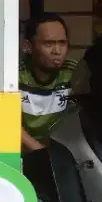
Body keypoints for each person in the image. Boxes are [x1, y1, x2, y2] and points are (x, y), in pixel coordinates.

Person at [20, 13, 89, 152]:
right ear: (28, 46)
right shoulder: (13, 77)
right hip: (21, 154)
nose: (57, 51)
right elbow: (6, 123)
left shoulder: (75, 73)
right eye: (48, 44)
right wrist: (41, 152)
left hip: (63, 152)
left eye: (62, 43)